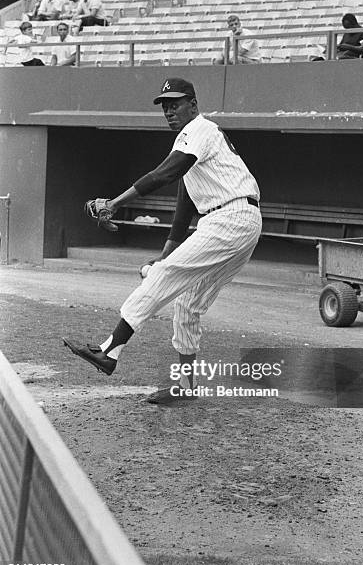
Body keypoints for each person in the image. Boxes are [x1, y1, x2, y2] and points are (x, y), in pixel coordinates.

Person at [63, 77, 262, 405]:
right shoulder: (191, 147)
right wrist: (165, 253)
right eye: (165, 106)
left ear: (193, 105)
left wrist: (114, 202)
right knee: (187, 305)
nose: (170, 111)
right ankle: (186, 387)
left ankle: (110, 349)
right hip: (238, 221)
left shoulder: (199, 129)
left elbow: (163, 175)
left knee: (164, 276)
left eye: (176, 103)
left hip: (230, 218)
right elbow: (184, 207)